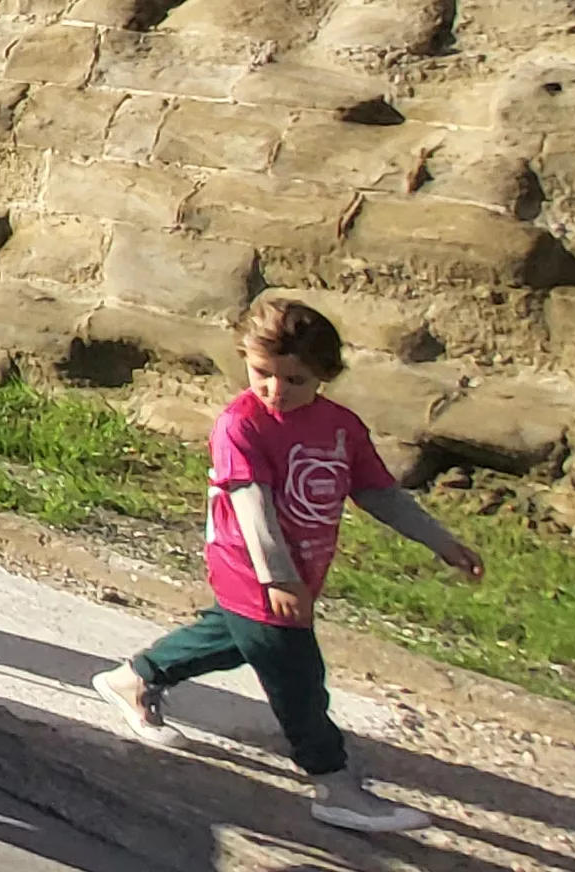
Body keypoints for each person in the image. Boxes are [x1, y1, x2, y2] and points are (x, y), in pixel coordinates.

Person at [91, 299, 484, 835]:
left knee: (230, 639)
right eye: (262, 374)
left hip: (299, 572)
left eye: (294, 379)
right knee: (299, 680)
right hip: (251, 567)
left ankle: (135, 678)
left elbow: (377, 492)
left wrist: (442, 542)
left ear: (325, 374)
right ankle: (335, 785)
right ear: (246, 360)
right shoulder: (240, 425)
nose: (276, 390)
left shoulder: (340, 427)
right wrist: (278, 577)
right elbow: (251, 504)